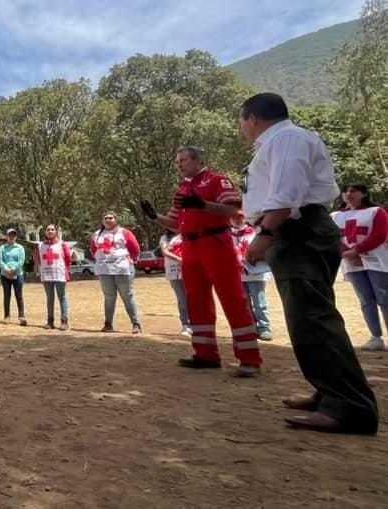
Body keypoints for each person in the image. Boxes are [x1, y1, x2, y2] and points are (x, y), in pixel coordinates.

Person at [240, 92, 378, 433]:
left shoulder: (286, 138)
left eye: (241, 120)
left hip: (298, 231)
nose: (241, 127)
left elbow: (287, 192)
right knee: (308, 317)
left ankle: (348, 406)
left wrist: (266, 233)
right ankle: (329, 392)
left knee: (313, 319)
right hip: (298, 230)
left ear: (252, 118)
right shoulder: (284, 140)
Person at [141, 147, 262, 375]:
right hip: (190, 245)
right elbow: (175, 223)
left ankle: (249, 359)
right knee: (196, 300)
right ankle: (205, 355)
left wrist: (204, 205)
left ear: (197, 160)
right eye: (177, 162)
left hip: (215, 242)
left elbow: (234, 210)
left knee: (232, 298)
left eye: (183, 160)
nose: (179, 165)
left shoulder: (217, 180)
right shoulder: (184, 188)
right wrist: (154, 217)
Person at [331, 184, 388, 351]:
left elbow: (379, 234)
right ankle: (375, 337)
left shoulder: (376, 212)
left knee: (384, 299)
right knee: (366, 300)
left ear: (363, 194)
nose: (349, 194)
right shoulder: (335, 216)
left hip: (376, 260)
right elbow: (333, 236)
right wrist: (347, 253)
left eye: (354, 191)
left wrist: (357, 250)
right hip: (351, 261)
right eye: (346, 191)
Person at [90, 212, 142, 334]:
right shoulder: (97, 234)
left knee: (127, 296)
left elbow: (135, 248)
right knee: (109, 297)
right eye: (105, 218)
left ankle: (136, 324)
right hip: (104, 270)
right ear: (102, 221)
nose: (108, 220)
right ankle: (108, 324)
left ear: (116, 219)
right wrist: (102, 260)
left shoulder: (124, 232)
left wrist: (131, 260)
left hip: (122, 269)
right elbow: (93, 250)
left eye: (111, 217)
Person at [230, 212, 274, 341]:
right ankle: (250, 327)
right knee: (244, 302)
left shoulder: (255, 232)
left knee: (259, 302)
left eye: (240, 217)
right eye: (234, 217)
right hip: (238, 274)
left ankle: (264, 327)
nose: (237, 220)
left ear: (245, 218)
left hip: (255, 273)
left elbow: (264, 248)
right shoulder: (228, 234)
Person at [34, 224, 72, 330]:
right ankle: (50, 321)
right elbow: (37, 259)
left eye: (52, 229)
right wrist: (38, 270)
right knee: (49, 298)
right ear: (45, 232)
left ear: (55, 231)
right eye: (48, 230)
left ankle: (64, 321)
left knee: (62, 297)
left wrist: (67, 271)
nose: (50, 231)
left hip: (59, 274)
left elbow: (68, 258)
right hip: (46, 275)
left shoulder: (62, 244)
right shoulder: (40, 245)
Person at [159, 230, 191, 337]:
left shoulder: (188, 234)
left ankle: (197, 324)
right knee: (182, 299)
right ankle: (186, 324)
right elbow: (165, 252)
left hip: (189, 270)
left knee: (192, 298)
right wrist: (179, 259)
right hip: (173, 272)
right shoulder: (165, 238)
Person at [0, 228, 27, 326]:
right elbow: (0, 260)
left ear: (16, 237)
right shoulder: (2, 248)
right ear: (6, 236)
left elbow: (21, 261)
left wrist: (14, 270)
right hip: (5, 274)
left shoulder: (20, 248)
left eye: (13, 235)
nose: (11, 237)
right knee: (7, 295)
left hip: (18, 274)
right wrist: (7, 270)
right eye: (10, 235)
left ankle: (21, 316)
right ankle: (7, 316)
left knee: (19, 296)